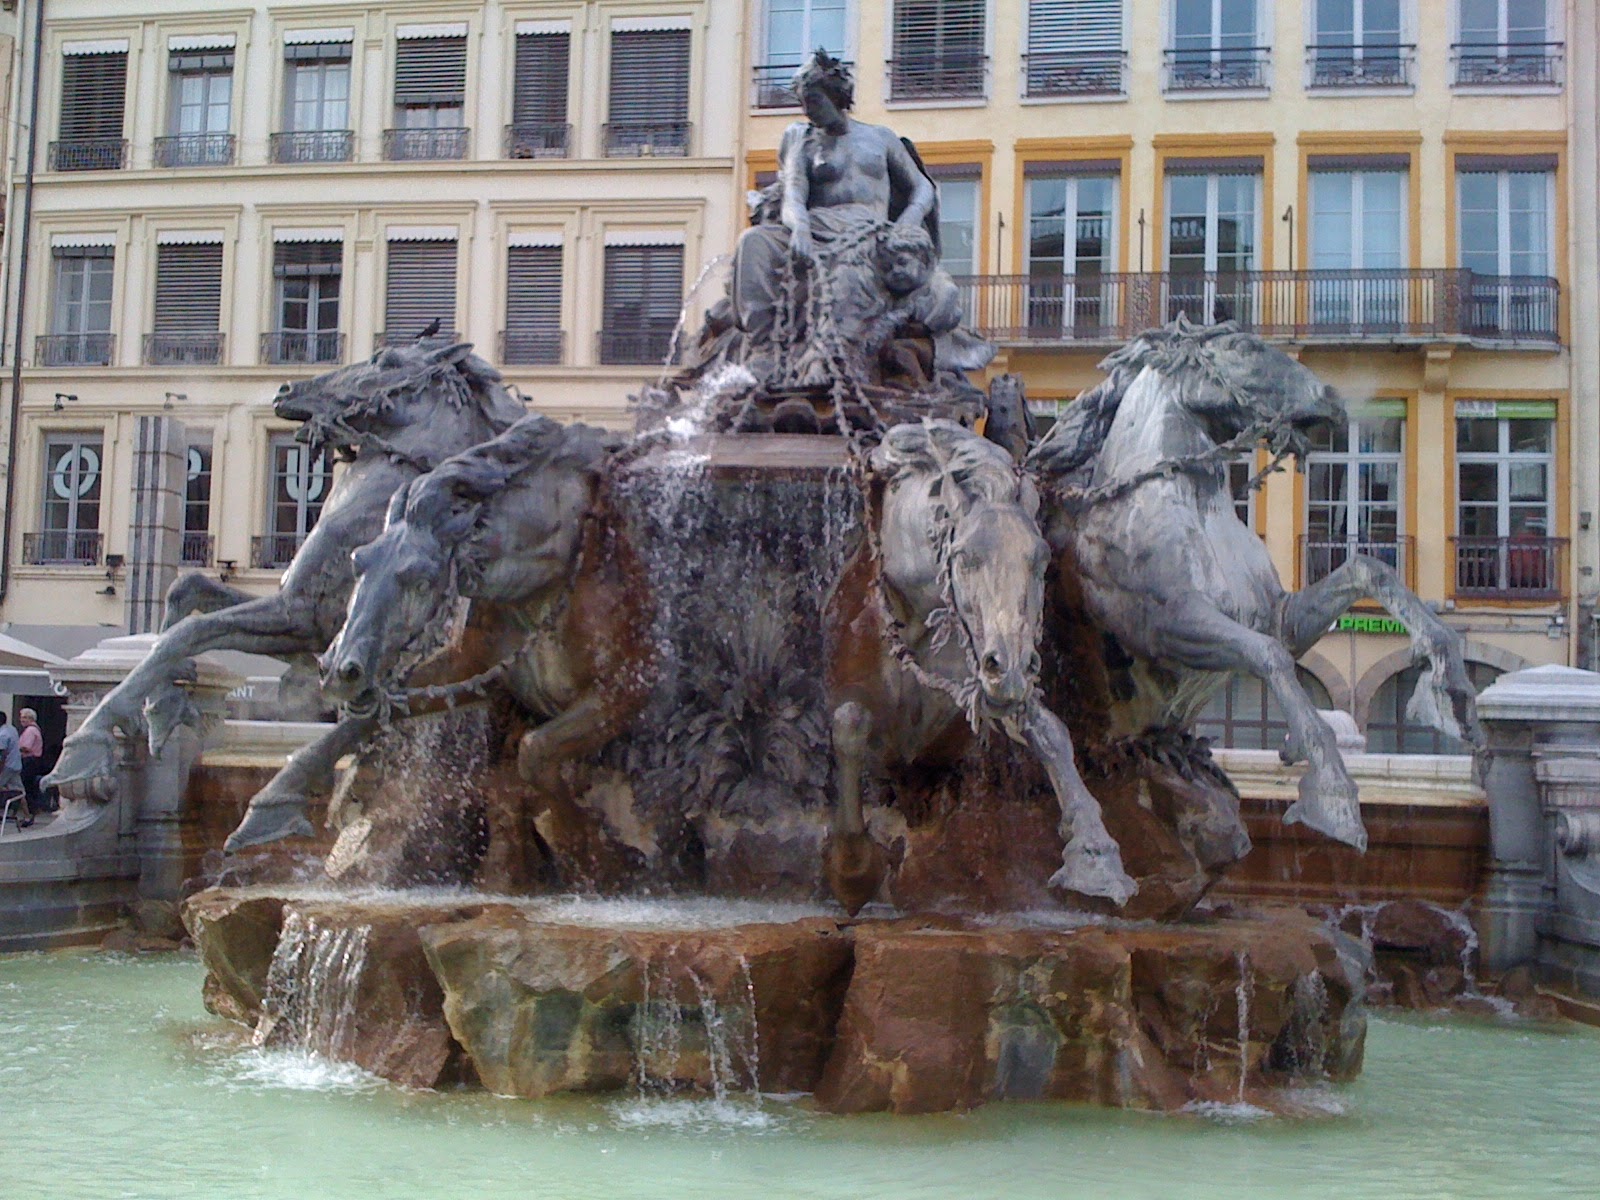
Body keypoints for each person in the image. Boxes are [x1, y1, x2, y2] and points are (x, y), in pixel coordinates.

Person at [731, 49, 937, 345]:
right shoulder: (802, 140)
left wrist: (905, 225)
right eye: (802, 103)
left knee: (847, 280)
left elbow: (923, 187)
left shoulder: (880, 138)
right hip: (816, 226)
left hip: (869, 230)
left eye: (813, 100)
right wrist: (799, 228)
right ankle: (764, 344)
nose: (807, 111)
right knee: (752, 242)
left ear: (837, 96)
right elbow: (794, 194)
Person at [0, 710, 30, 828]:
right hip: (16, 765)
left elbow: (2, 756)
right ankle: (27, 816)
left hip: (6, 767)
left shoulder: (2, 735)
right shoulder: (11, 729)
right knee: (19, 791)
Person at [18, 709, 46, 815]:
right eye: (21, 717)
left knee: (26, 785)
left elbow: (26, 747)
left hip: (29, 760)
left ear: (31, 718)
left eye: (25, 717)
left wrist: (16, 748)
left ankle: (30, 809)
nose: (22, 719)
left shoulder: (30, 730)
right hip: (33, 760)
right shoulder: (35, 729)